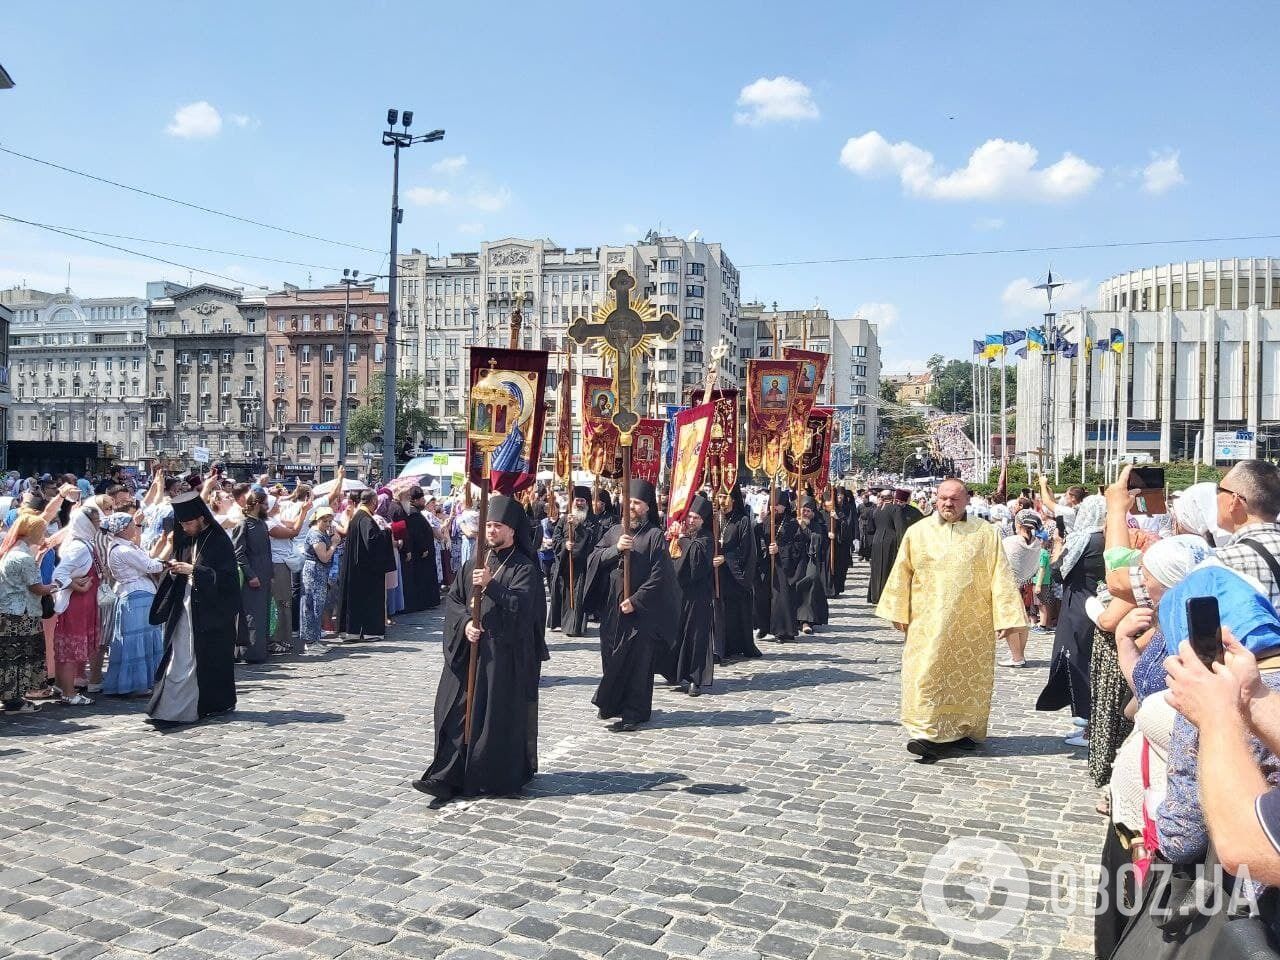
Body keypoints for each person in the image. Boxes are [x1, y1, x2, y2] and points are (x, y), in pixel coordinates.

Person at [875, 478, 1026, 763]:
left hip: (973, 623)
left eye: (954, 499)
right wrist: (897, 611)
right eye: (943, 498)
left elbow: (1000, 576)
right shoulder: (917, 532)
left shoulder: (986, 533)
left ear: (966, 500)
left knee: (969, 680)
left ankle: (963, 730)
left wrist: (1005, 615)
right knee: (926, 674)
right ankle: (926, 733)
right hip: (927, 621)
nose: (948, 503)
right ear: (935, 499)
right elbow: (901, 573)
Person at [411, 495, 547, 807]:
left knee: (492, 719)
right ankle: (446, 775)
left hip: (502, 659)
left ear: (512, 531)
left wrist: (491, 586)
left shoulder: (525, 569)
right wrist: (465, 626)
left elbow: (524, 611)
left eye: (498, 526)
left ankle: (492, 776)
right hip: (469, 652)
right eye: (489, 525)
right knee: (456, 711)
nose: (491, 531)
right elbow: (455, 602)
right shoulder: (473, 563)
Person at [583, 479, 677, 732]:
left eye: (637, 503)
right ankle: (612, 703)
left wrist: (636, 601)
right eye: (629, 502)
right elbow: (594, 558)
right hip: (612, 608)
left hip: (640, 611)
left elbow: (660, 576)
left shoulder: (654, 536)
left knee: (638, 661)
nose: (631, 506)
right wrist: (616, 549)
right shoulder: (615, 531)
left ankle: (635, 710)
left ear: (647, 507)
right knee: (611, 654)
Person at [147, 492, 239, 725]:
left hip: (210, 612)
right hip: (184, 606)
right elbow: (181, 564)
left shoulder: (219, 541)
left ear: (201, 518)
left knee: (205, 659)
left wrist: (194, 571)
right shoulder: (185, 538)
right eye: (183, 524)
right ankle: (171, 707)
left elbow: (227, 579)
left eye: (189, 523)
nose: (185, 528)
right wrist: (175, 568)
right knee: (179, 655)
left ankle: (207, 705)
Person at [1036, 494, 1107, 743]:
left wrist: (1057, 544)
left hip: (1078, 605)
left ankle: (1089, 724)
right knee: (1090, 661)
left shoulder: (1085, 539)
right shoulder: (1107, 538)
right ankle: (1090, 722)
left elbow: (1058, 571)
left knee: (1078, 661)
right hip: (1094, 602)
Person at [100, 512, 167, 697]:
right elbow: (150, 566)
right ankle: (135, 683)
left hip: (137, 593)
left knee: (140, 639)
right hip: (136, 594)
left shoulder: (123, 547)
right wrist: (168, 563)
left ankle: (141, 681)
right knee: (136, 640)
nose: (135, 528)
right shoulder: (123, 550)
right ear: (123, 528)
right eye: (132, 525)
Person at [0, 515, 56, 715]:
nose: (45, 534)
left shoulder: (11, 551)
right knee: (20, 657)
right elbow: (36, 587)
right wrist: (55, 587)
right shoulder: (22, 557)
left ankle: (11, 698)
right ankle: (14, 702)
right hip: (22, 615)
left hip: (9, 612)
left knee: (9, 658)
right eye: (42, 531)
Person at [49, 504, 104, 707]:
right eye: (96, 521)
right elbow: (59, 574)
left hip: (83, 603)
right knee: (71, 649)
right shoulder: (79, 546)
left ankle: (63, 687)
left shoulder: (84, 543)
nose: (99, 524)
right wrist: (75, 585)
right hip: (76, 605)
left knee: (69, 649)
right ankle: (69, 692)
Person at [664, 494, 715, 696]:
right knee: (675, 634)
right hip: (679, 595)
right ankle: (674, 673)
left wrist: (683, 539)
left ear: (703, 520)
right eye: (689, 517)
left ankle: (695, 678)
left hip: (698, 597)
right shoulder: (680, 536)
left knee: (695, 637)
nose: (691, 520)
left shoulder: (706, 538)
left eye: (695, 517)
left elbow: (695, 561)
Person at [336, 490, 394, 642]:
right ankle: (369, 631)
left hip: (358, 566)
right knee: (368, 599)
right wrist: (387, 532)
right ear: (374, 502)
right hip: (366, 569)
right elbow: (372, 541)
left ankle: (353, 631)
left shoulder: (358, 517)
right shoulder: (366, 519)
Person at [717, 485, 760, 660]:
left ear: (734, 499)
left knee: (734, 612)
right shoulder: (714, 519)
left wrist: (726, 559)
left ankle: (736, 645)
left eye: (725, 497)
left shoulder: (742, 521)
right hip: (716, 574)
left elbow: (745, 550)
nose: (722, 501)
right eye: (719, 497)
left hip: (734, 575)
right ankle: (720, 646)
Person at [547, 487, 598, 636]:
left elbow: (593, 541)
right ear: (573, 501)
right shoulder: (564, 519)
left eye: (583, 500)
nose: (580, 503)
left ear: (587, 502)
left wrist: (578, 527)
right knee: (562, 593)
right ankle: (560, 623)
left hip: (581, 567)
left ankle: (573, 627)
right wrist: (565, 544)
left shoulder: (592, 520)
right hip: (564, 564)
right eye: (577, 500)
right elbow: (556, 538)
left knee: (577, 596)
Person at [232, 490, 273, 664]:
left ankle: (261, 650)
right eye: (264, 504)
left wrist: (270, 573)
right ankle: (248, 651)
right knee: (251, 614)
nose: (267, 507)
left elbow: (268, 551)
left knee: (263, 613)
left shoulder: (262, 524)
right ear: (256, 504)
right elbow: (239, 553)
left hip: (264, 573)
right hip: (253, 574)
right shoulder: (243, 524)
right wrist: (250, 575)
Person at [754, 491, 801, 644]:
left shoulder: (792, 523)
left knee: (780, 598)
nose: (774, 507)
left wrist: (779, 550)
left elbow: (798, 545)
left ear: (784, 505)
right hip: (767, 564)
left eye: (778, 505)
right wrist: (759, 525)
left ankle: (782, 631)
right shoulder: (766, 521)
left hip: (783, 566)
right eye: (772, 504)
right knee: (763, 595)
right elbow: (759, 540)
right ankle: (764, 626)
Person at [999, 510, 1044, 667]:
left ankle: (1017, 657)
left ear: (1018, 523)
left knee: (1010, 620)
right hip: (1026, 584)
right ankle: (1020, 655)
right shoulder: (1036, 542)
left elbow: (1001, 560)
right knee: (1022, 620)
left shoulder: (1012, 541)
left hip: (1009, 585)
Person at [299, 507, 338, 649]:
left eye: (330, 521)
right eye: (325, 521)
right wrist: (334, 544)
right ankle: (310, 641)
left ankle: (315, 639)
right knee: (313, 605)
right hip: (314, 572)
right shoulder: (316, 534)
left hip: (320, 572)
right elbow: (324, 557)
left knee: (318, 605)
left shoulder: (322, 532)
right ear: (318, 520)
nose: (328, 524)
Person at [399, 487, 441, 613]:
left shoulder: (415, 511)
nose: (424, 501)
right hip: (421, 555)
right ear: (416, 500)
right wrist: (423, 548)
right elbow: (416, 534)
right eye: (422, 499)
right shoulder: (413, 513)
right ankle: (423, 601)